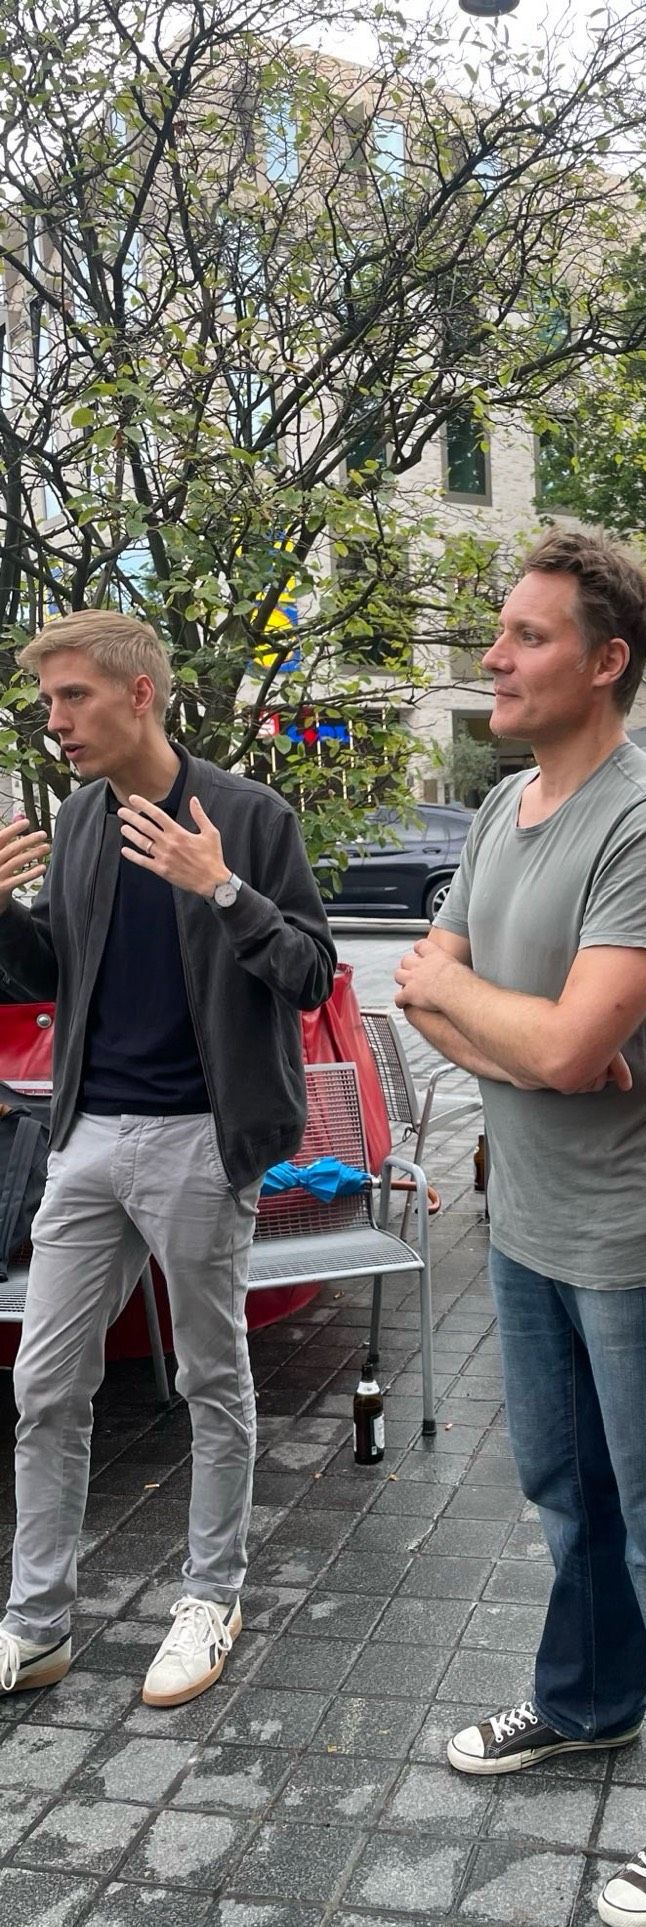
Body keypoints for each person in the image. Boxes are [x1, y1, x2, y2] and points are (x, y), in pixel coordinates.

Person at [393, 527, 646, 1927]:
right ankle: (590, 1702)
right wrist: (536, 1041)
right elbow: (424, 989)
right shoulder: (504, 809)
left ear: (606, 662)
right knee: (568, 1494)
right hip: (526, 1215)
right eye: (500, 631)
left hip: (635, 1231)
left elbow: (536, 1037)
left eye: (529, 636)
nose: (495, 655)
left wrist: (534, 1039)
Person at [0, 610, 335, 1707]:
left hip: (203, 1135)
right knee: (45, 1382)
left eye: (72, 698)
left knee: (210, 1376)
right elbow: (55, 965)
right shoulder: (86, 821)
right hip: (88, 1135)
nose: (55, 723)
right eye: (48, 702)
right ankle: (37, 1620)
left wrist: (222, 887)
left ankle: (210, 1593)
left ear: (139, 692)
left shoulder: (246, 813)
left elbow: (313, 976)